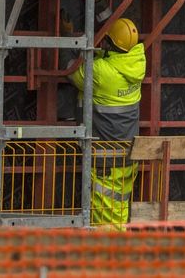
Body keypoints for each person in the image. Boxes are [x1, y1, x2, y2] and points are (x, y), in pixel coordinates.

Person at [68, 17, 146, 228]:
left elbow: (73, 72)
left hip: (104, 157)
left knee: (105, 215)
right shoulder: (136, 63)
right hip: (127, 154)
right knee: (119, 208)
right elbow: (109, 54)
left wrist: (67, 40)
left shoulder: (102, 72)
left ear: (109, 43)